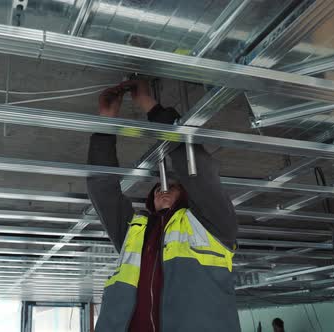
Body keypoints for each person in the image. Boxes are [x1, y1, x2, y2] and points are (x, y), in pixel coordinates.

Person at [87, 80, 239, 331]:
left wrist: (106, 122)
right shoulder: (137, 233)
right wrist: (144, 107)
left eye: (172, 187)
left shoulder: (214, 226)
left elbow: (197, 171)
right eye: (158, 189)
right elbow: (104, 193)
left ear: (189, 197)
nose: (164, 190)